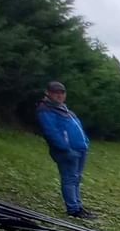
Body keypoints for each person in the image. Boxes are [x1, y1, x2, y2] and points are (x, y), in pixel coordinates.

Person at [35, 81, 93, 218]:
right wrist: (65, 148)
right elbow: (51, 132)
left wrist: (86, 141)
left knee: (76, 179)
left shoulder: (65, 109)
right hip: (67, 151)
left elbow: (77, 127)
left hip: (81, 149)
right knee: (69, 179)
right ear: (48, 93)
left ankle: (78, 206)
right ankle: (73, 209)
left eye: (62, 93)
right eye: (56, 93)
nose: (59, 95)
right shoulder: (45, 110)